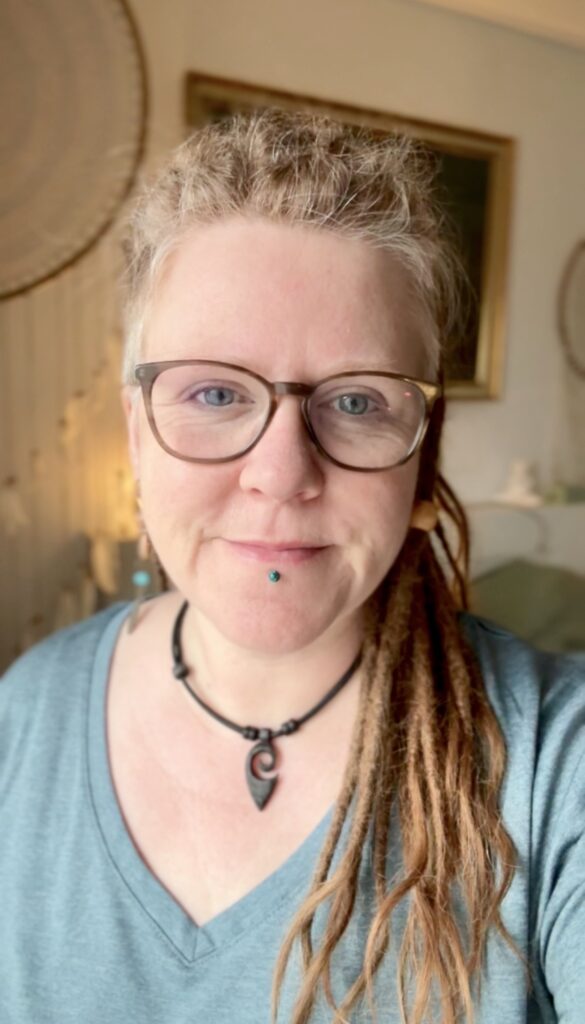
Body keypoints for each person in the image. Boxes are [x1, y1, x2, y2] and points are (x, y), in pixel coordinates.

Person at [1, 110, 583, 1024]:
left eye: (356, 402)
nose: (280, 474)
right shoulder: (26, 711)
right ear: (136, 434)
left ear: (423, 451)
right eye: (214, 392)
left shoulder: (555, 758)